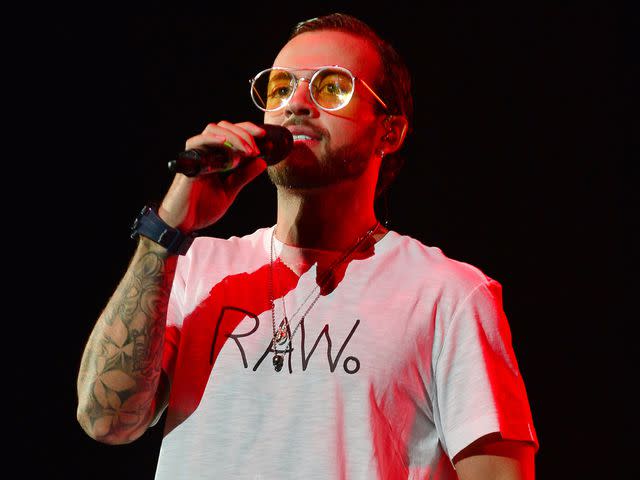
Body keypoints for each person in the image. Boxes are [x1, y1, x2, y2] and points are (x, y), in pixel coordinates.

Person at [76, 12, 539, 479]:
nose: (296, 103)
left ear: (390, 131)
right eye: (280, 88)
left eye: (331, 86)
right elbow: (105, 420)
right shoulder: (196, 267)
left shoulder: (447, 295)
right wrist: (166, 232)